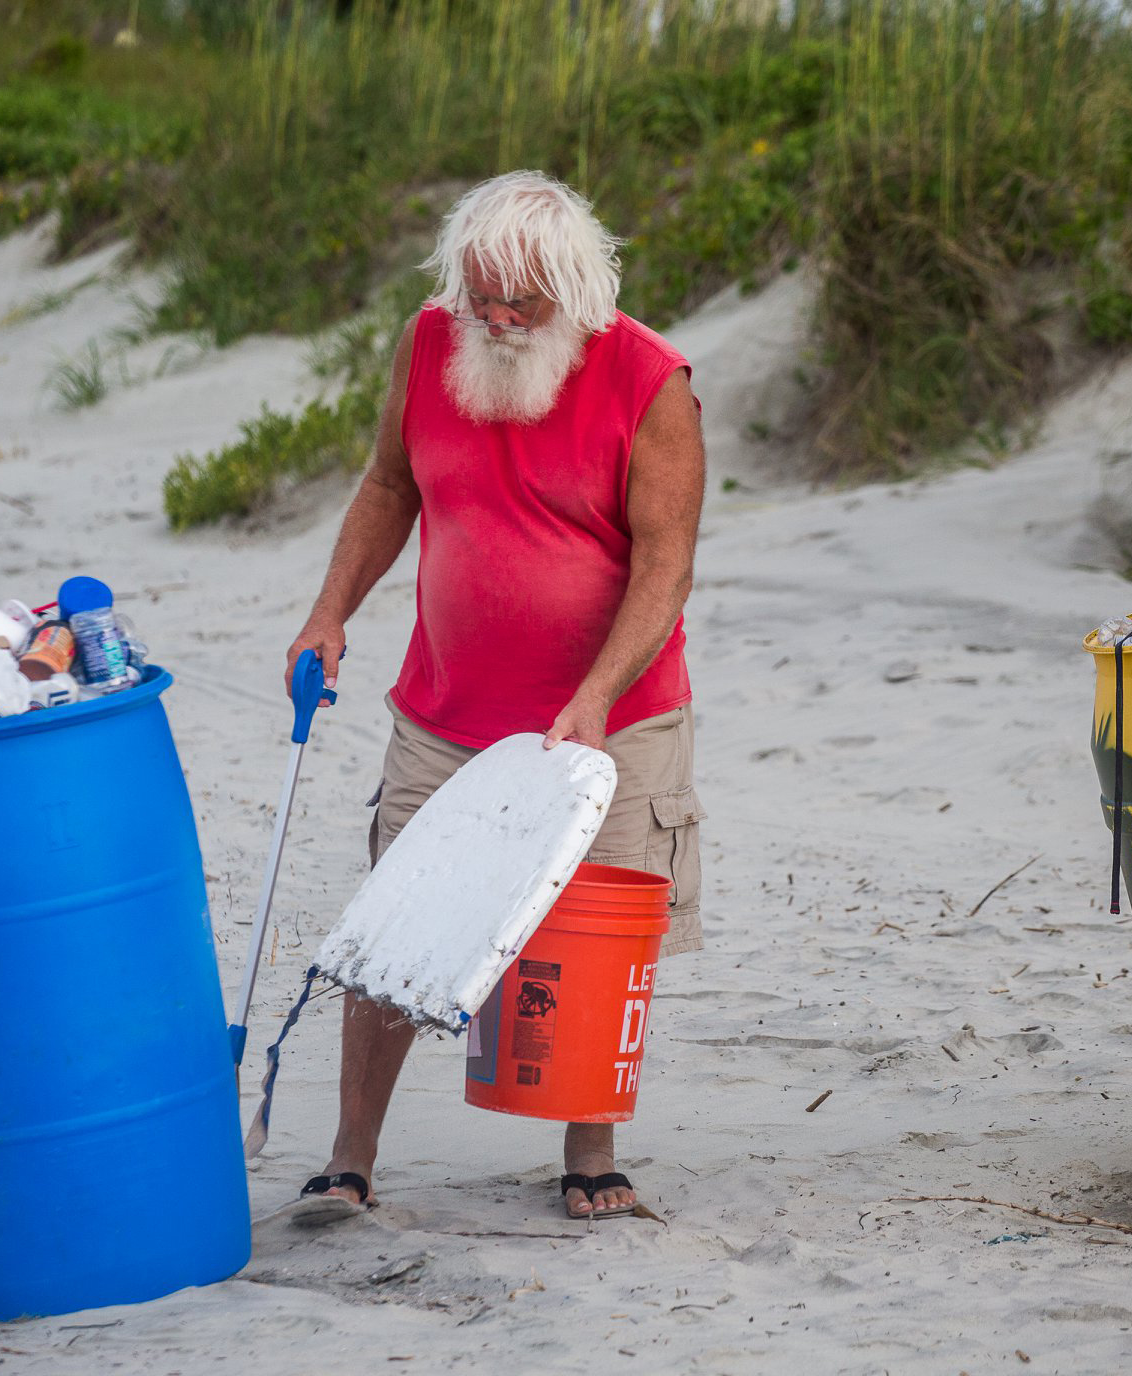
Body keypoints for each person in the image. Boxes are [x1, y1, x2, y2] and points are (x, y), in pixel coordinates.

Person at [285, 170, 707, 1221]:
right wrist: (328, 610)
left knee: (597, 930)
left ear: (576, 290)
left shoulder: (649, 381)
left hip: (614, 712)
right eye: (483, 298)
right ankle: (350, 1156)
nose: (500, 320)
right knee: (393, 925)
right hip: (445, 707)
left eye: (521, 303)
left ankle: (589, 1155)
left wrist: (595, 694)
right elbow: (389, 485)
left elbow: (666, 564)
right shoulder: (431, 343)